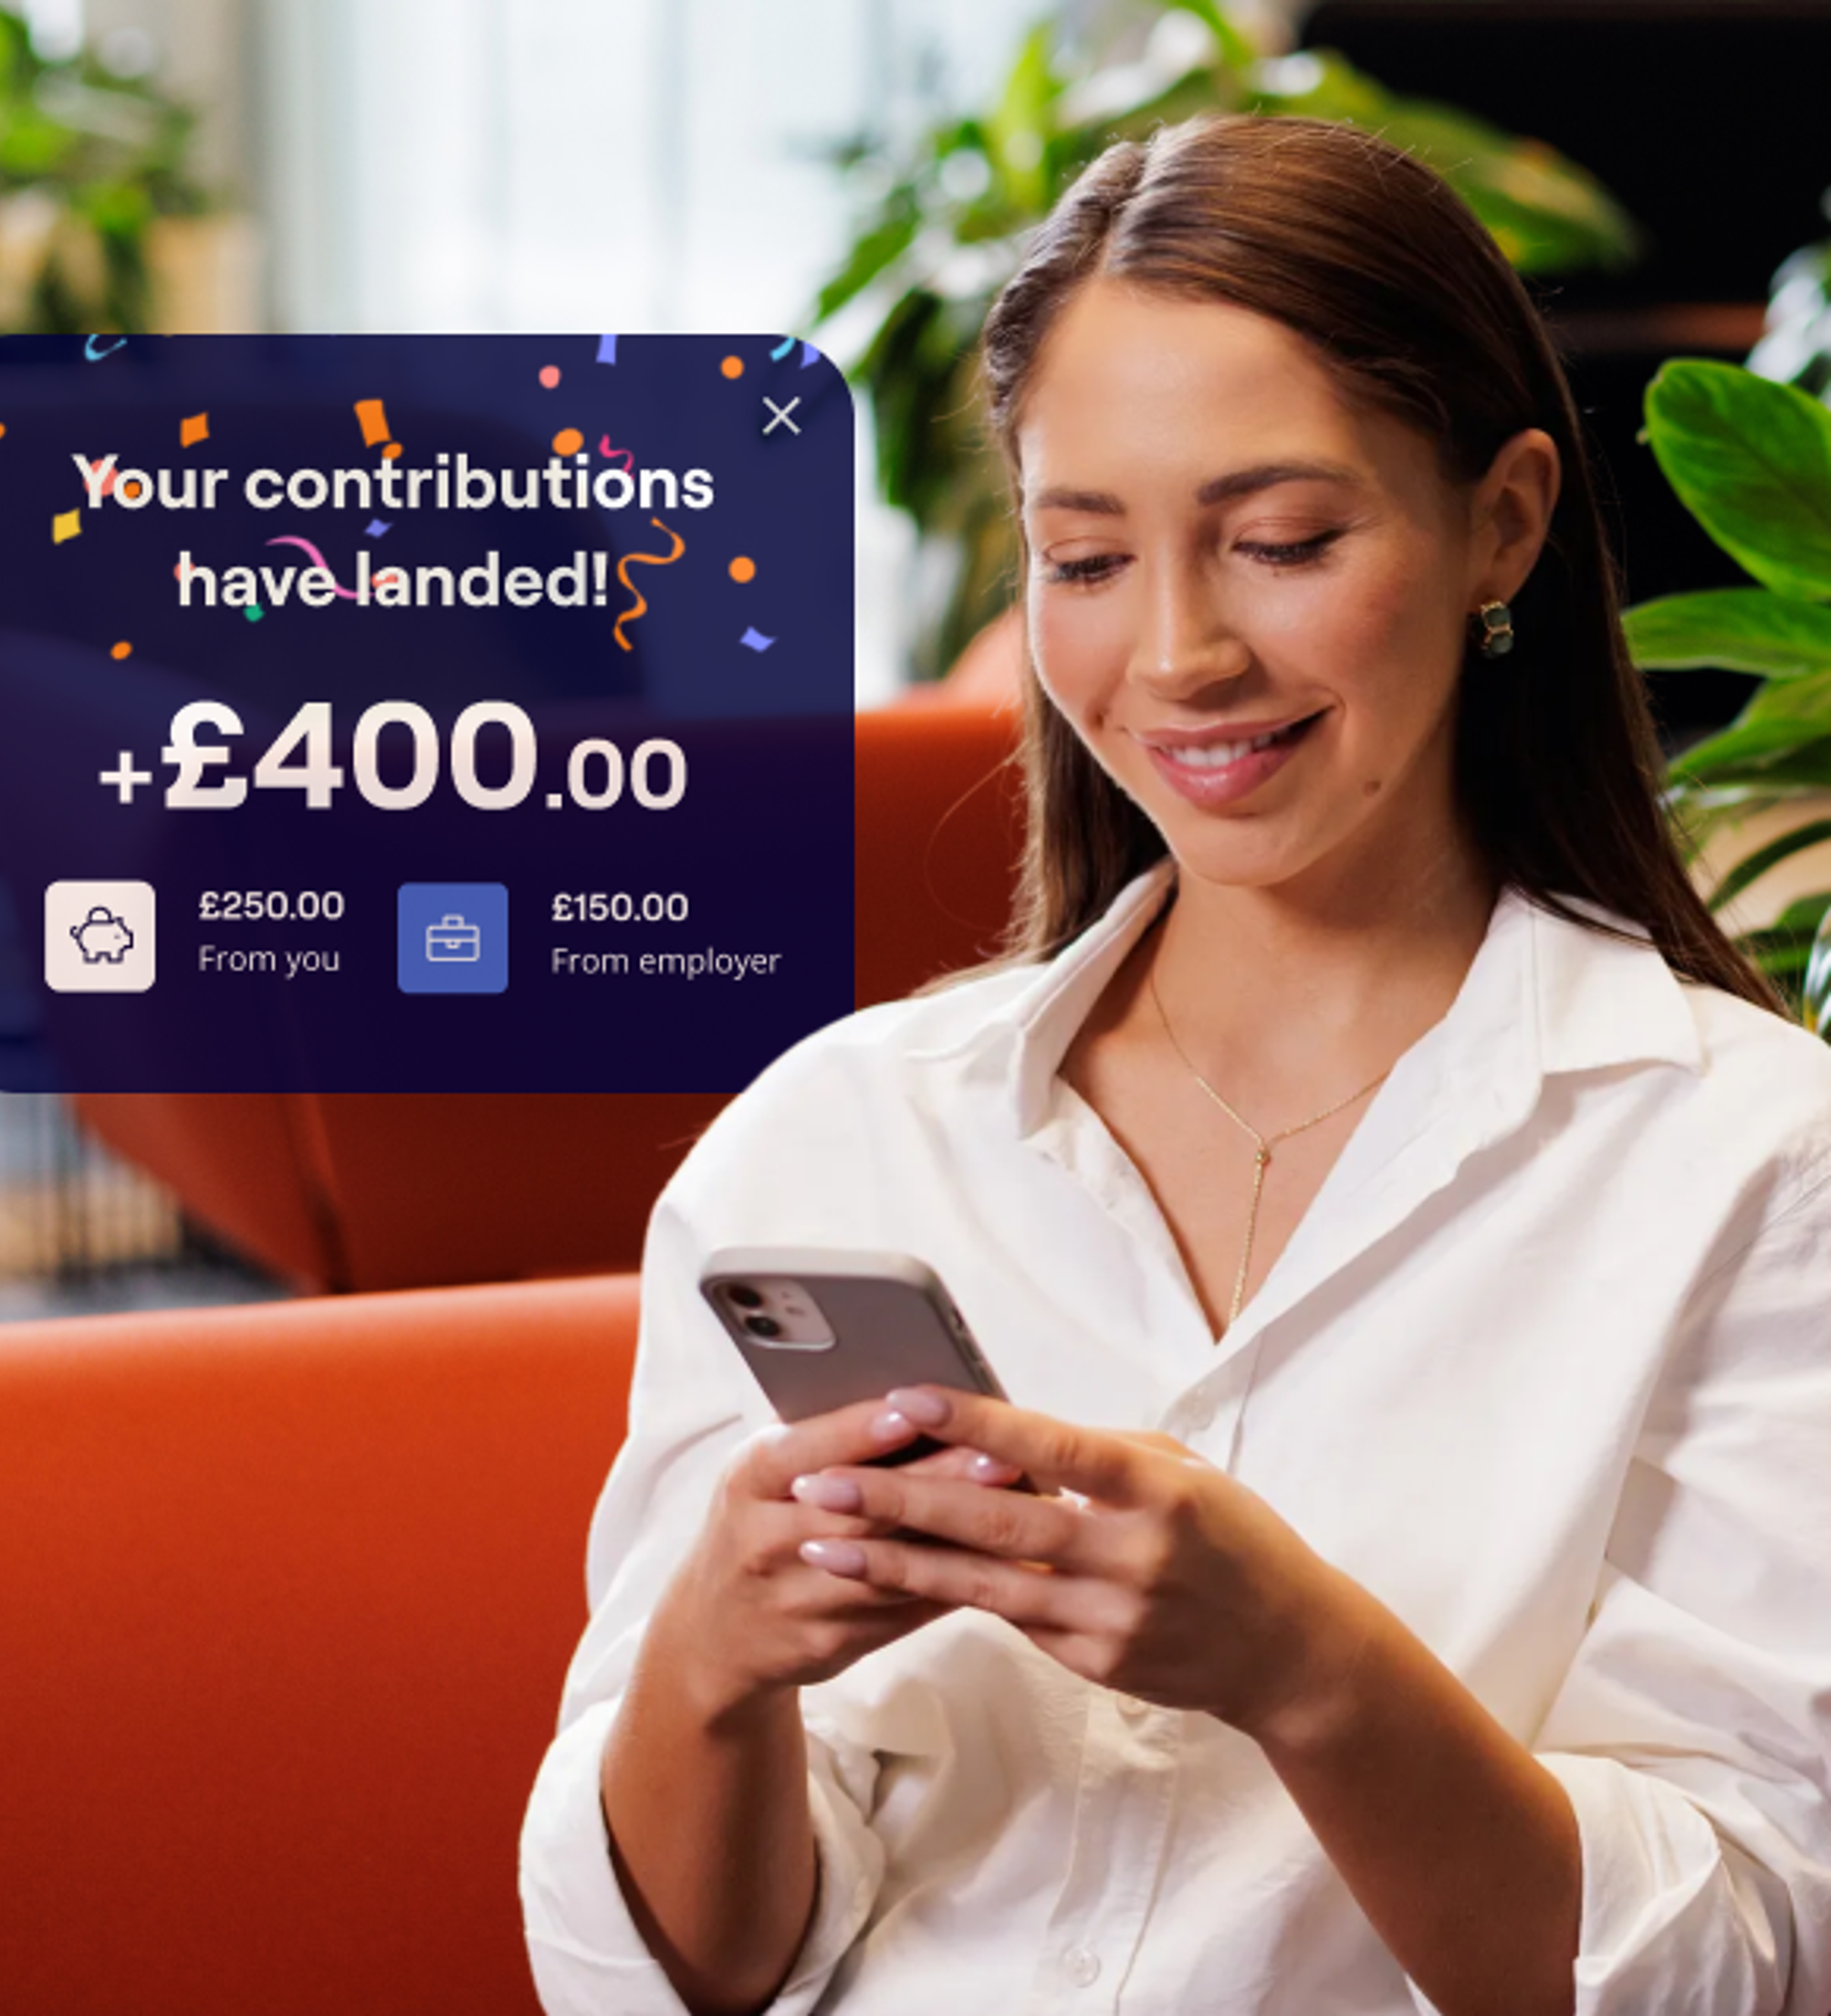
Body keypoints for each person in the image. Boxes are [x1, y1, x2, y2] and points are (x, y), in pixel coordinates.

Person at [519, 112, 1831, 2016]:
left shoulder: (1752, 1162)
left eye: (1283, 541)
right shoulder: (841, 1137)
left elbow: (1748, 1962)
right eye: (1086, 559)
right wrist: (713, 1666)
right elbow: (662, 1978)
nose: (1181, 653)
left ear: (1506, 522)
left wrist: (1303, 1664)